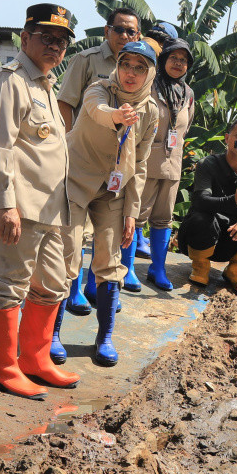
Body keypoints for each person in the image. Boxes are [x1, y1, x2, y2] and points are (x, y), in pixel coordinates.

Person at [0, 3, 80, 398]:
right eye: (46, 37)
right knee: (9, 285)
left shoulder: (45, 84)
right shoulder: (10, 80)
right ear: (25, 37)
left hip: (50, 209)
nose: (55, 46)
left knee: (52, 285)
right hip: (19, 206)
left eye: (61, 41)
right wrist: (5, 206)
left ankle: (35, 359)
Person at [63, 40, 160, 367]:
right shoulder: (100, 88)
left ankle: (104, 338)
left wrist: (133, 212)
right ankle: (50, 334)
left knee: (109, 258)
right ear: (117, 65)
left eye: (140, 67)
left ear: (150, 74)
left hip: (113, 188)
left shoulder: (151, 111)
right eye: (126, 64)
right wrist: (117, 115)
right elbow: (94, 109)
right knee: (68, 252)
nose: (130, 73)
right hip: (76, 177)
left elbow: (142, 163)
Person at [57, 7, 144, 317]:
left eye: (130, 32)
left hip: (114, 170)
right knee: (73, 235)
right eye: (118, 29)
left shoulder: (140, 68)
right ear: (107, 30)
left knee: (106, 237)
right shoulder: (87, 60)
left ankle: (97, 287)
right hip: (81, 159)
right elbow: (67, 103)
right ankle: (74, 290)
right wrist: (66, 146)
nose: (124, 36)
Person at [178, 118, 237, 297]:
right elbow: (200, 200)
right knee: (200, 218)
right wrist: (233, 200)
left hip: (233, 239)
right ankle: (200, 267)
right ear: (227, 138)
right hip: (203, 237)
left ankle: (234, 272)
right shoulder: (208, 164)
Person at [130, 36, 195, 292]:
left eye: (183, 60)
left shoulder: (188, 93)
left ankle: (157, 268)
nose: (178, 63)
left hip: (172, 163)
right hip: (145, 161)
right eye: (173, 58)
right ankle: (127, 270)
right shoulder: (149, 85)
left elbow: (184, 129)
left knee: (164, 218)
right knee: (135, 217)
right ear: (163, 59)